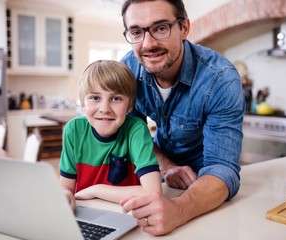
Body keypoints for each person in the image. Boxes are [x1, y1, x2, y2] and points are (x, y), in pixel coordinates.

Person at [119, 0, 245, 236]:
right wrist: (166, 166)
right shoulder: (128, 70)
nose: (148, 44)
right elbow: (132, 133)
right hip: (155, 177)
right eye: (136, 32)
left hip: (203, 188)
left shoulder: (220, 79)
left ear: (184, 28)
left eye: (160, 28)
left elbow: (222, 168)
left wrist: (178, 210)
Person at [59, 60, 162, 210]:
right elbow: (66, 187)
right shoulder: (74, 130)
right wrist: (65, 194)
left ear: (130, 105)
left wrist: (96, 190)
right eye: (95, 98)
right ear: (83, 103)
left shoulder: (136, 130)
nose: (105, 108)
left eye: (116, 98)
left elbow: (153, 193)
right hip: (85, 212)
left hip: (125, 212)